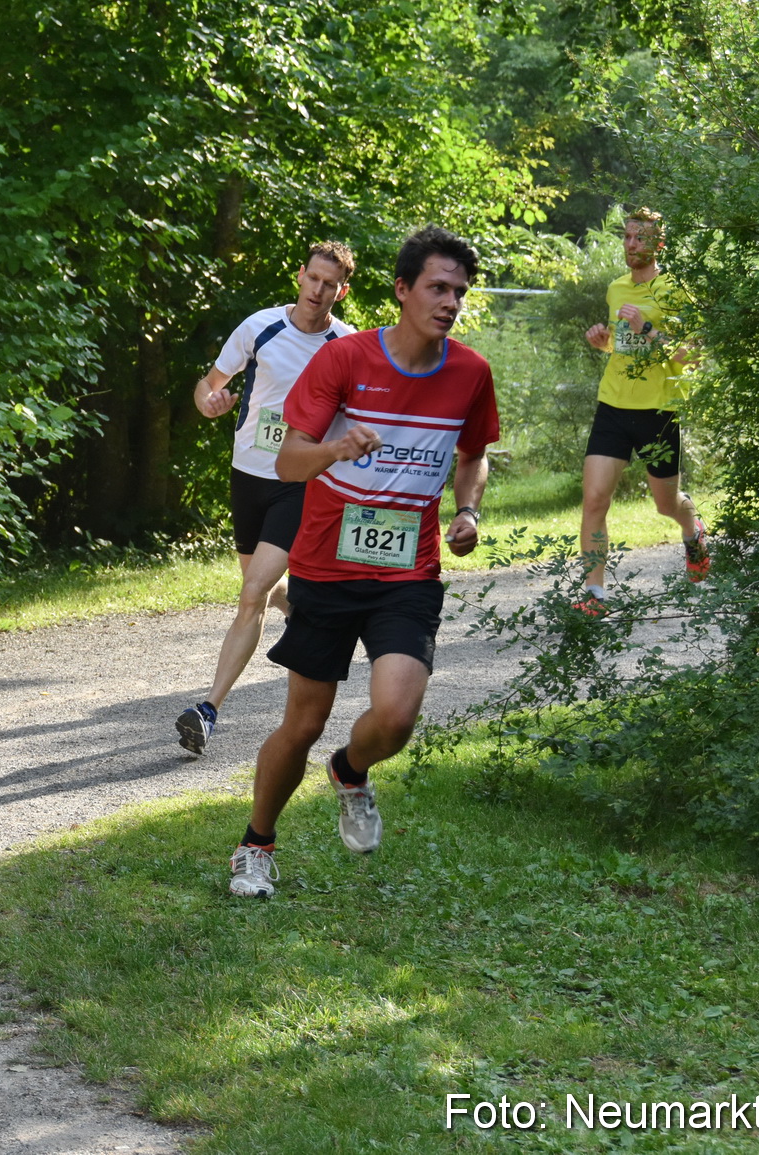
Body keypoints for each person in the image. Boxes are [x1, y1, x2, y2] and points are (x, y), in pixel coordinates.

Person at [227, 226, 498, 899]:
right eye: (437, 287)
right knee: (303, 723)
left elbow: (472, 455)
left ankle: (350, 770)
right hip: (325, 561)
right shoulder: (344, 360)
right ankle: (255, 844)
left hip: (407, 573)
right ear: (402, 290)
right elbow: (289, 460)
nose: (450, 301)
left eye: (459, 291)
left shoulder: (470, 373)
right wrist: (336, 449)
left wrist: (468, 510)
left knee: (397, 717)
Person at [175, 242, 357, 755]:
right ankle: (301, 610)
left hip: (299, 484)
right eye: (313, 279)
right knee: (262, 590)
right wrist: (210, 404)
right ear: (300, 276)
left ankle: (207, 709)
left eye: (330, 285)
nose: (318, 291)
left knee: (252, 592)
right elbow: (208, 386)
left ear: (341, 292)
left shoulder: (346, 346)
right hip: (247, 475)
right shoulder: (259, 328)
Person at [576, 206, 707, 615]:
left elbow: (692, 357)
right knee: (595, 499)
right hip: (613, 404)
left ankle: (692, 530)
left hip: (659, 410)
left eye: (641, 238)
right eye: (628, 237)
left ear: (658, 244)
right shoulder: (616, 288)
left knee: (665, 504)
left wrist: (648, 329)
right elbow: (622, 346)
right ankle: (594, 594)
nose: (632, 244)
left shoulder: (675, 290)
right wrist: (604, 343)